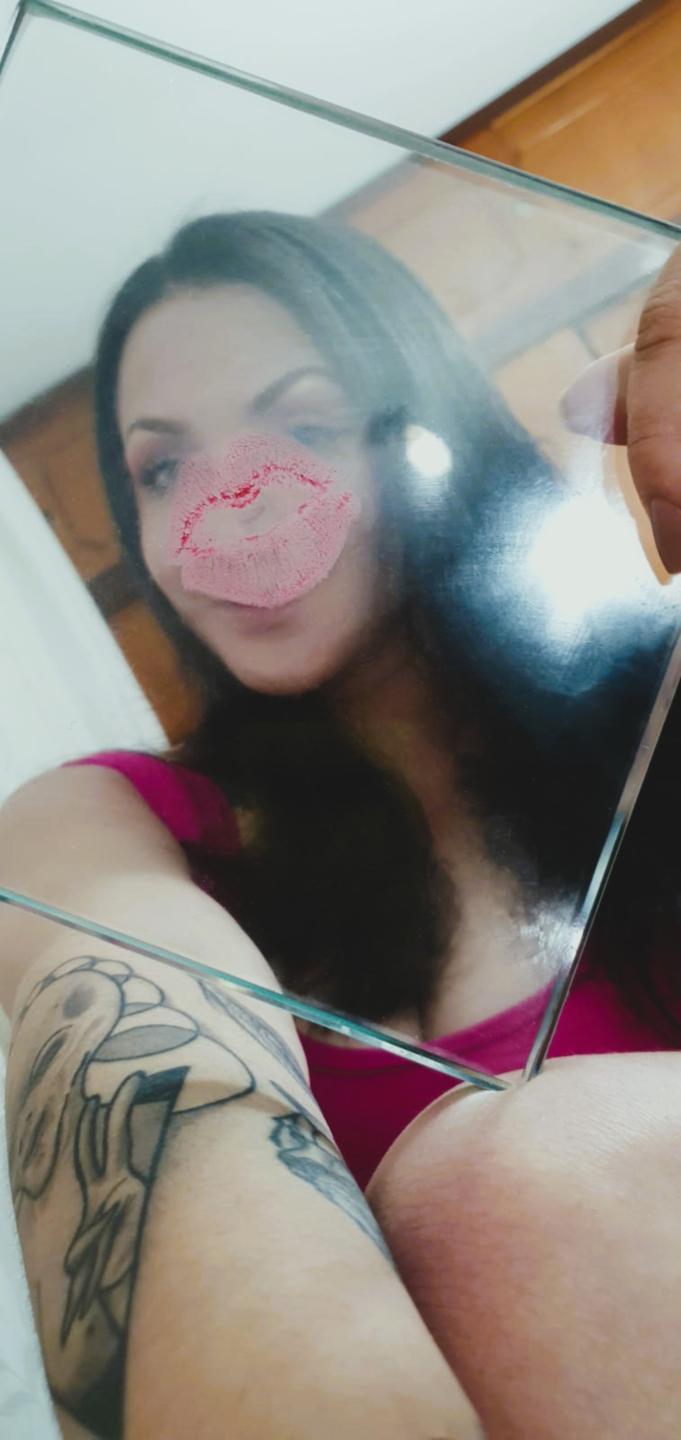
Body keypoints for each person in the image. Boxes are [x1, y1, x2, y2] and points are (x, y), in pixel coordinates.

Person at [0, 212, 680, 1439]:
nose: (229, 514)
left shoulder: (656, 714)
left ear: (431, 429)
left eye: (305, 428)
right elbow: (130, 1036)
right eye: (163, 471)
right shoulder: (109, 825)